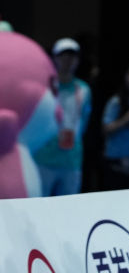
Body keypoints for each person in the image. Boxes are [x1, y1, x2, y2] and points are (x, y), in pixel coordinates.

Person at [35, 38, 91, 196]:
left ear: (77, 60)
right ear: (54, 58)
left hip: (71, 160)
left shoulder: (84, 89)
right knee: (40, 204)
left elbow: (84, 121)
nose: (68, 60)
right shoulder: (44, 86)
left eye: (72, 56)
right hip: (44, 158)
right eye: (63, 56)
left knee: (69, 207)